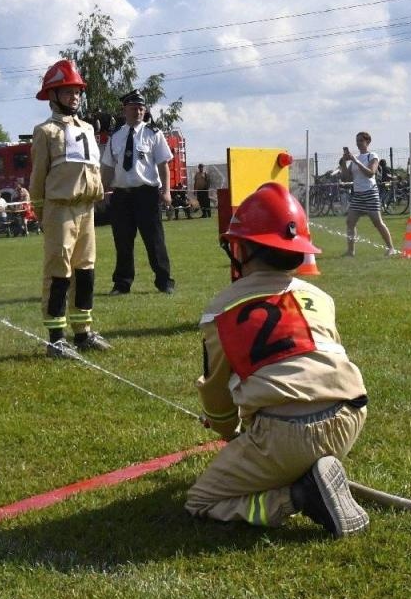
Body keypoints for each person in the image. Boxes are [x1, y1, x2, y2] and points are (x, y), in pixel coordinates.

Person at [187, 182, 370, 537]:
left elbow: (217, 399)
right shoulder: (319, 297)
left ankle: (301, 495)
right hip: (351, 415)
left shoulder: (219, 312)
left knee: (201, 501)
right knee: (298, 453)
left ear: (244, 249)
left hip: (285, 436)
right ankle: (314, 473)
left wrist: (232, 436)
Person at [29, 59, 111, 357]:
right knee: (59, 270)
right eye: (67, 92)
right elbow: (38, 176)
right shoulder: (46, 131)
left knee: (85, 269)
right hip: (59, 209)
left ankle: (83, 331)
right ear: (53, 96)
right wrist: (41, 212)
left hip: (86, 209)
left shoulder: (88, 128)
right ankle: (55, 338)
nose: (74, 97)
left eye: (77, 92)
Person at [101, 89, 176, 295]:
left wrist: (167, 191)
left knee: (154, 240)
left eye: (141, 108)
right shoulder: (115, 136)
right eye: (134, 108)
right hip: (121, 195)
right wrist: (102, 189)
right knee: (123, 241)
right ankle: (122, 283)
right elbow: (108, 166)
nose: (138, 112)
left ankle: (164, 281)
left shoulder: (154, 133)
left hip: (146, 194)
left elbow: (163, 165)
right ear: (124, 109)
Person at [340, 131, 397, 256]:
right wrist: (344, 163)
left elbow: (370, 173)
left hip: (370, 193)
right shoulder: (356, 158)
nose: (358, 143)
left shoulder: (372, 156)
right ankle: (351, 251)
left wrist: (355, 161)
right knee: (350, 222)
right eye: (357, 141)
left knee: (377, 222)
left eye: (361, 140)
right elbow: (346, 178)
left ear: (367, 142)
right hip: (358, 195)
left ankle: (391, 248)